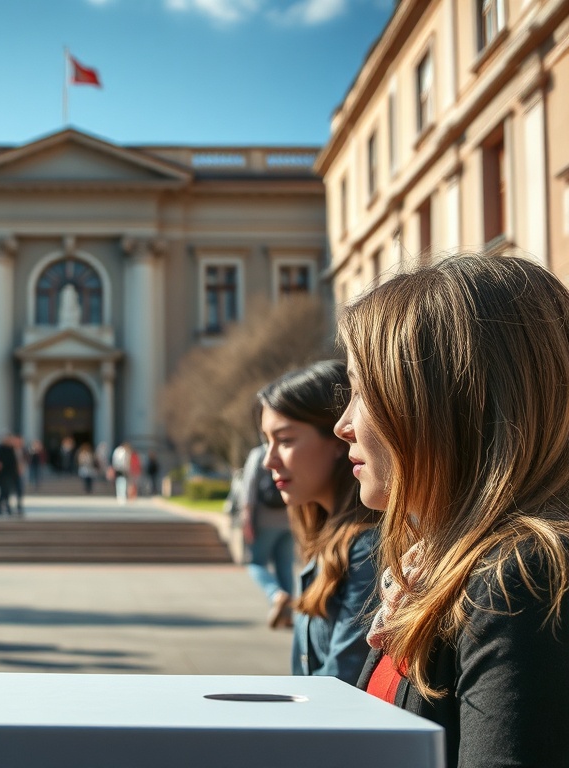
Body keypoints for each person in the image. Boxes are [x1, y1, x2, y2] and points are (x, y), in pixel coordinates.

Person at [335, 254, 569, 766]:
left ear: (444, 404)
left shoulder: (521, 576)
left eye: (361, 390)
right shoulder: (438, 563)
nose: (344, 424)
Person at [258, 360, 381, 685]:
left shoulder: (368, 550)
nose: (268, 460)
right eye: (266, 442)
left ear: (338, 441)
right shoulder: (328, 537)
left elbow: (338, 686)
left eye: (284, 441)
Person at [238, 443, 295, 628]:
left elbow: (248, 489)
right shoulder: (290, 448)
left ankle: (276, 595)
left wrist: (246, 518)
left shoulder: (260, 453)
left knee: (254, 563)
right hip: (289, 519)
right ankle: (287, 616)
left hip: (264, 520)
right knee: (285, 568)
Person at [0, 435, 21, 516]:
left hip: (10, 475)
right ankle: (0, 507)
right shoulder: (0, 449)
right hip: (2, 475)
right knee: (4, 492)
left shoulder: (11, 450)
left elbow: (14, 463)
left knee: (7, 492)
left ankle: (7, 508)